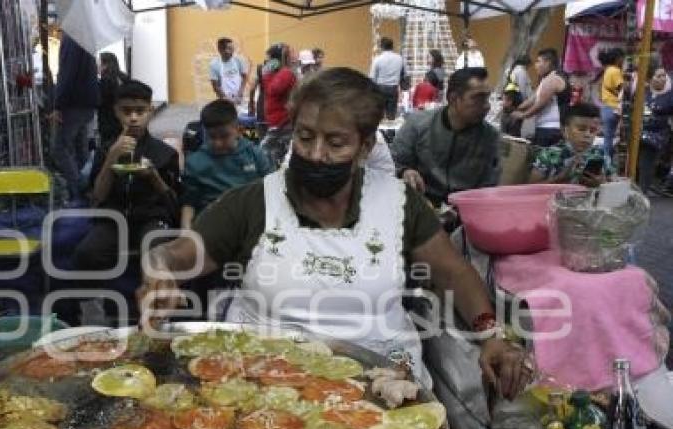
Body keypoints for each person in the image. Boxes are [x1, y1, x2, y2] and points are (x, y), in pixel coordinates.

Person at [138, 67, 532, 400]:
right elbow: (173, 255)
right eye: (305, 136)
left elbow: (454, 273)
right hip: (267, 386)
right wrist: (160, 274)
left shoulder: (398, 203)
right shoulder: (254, 202)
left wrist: (491, 334)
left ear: (364, 147)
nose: (316, 154)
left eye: (336, 142)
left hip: (382, 385)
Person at [73, 80, 180, 271]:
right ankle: (103, 295)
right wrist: (111, 158)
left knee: (156, 251)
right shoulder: (105, 149)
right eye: (126, 111)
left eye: (140, 111)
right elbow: (97, 197)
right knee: (86, 253)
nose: (133, 118)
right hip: (113, 219)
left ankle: (152, 295)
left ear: (151, 111)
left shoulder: (165, 153)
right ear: (116, 111)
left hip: (151, 218)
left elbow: (173, 204)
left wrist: (154, 176)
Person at [392, 66, 501, 206]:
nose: (487, 106)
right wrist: (405, 171)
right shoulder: (418, 124)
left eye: (487, 98)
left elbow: (490, 186)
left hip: (465, 211)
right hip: (420, 204)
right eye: (478, 98)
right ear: (453, 98)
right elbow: (394, 161)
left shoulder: (490, 138)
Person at [181, 100, 273, 229]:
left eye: (224, 136)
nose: (218, 143)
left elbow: (272, 187)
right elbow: (189, 203)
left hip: (250, 219)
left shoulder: (254, 154)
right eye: (212, 137)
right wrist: (186, 231)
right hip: (212, 223)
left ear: (238, 130)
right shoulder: (195, 162)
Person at [51, 34, 100, 198]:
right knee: (81, 148)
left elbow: (66, 73)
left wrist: (58, 104)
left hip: (73, 103)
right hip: (88, 102)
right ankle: (88, 187)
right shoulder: (86, 38)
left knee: (60, 148)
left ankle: (78, 190)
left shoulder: (71, 38)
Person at [529, 102, 613, 188]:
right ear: (564, 130)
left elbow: (615, 186)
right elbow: (531, 189)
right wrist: (560, 178)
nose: (587, 135)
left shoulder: (601, 155)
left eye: (593, 130)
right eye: (581, 129)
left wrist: (601, 184)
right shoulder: (548, 155)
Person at [512, 48, 569, 147]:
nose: (535, 65)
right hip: (544, 128)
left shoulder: (553, 79)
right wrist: (514, 109)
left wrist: (523, 115)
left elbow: (540, 104)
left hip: (551, 130)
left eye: (538, 61)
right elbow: (533, 99)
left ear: (547, 63)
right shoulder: (546, 79)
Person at [259, 43, 298, 167]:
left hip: (282, 122)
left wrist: (266, 74)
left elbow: (273, 90)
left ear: (276, 59)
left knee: (261, 154)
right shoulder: (278, 73)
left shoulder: (285, 73)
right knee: (275, 156)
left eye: (270, 58)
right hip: (275, 121)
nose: (267, 61)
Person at [638, 65, 673, 193]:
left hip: (657, 134)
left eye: (664, 75)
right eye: (658, 76)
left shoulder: (670, 95)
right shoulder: (643, 91)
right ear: (650, 78)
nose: (663, 79)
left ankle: (642, 190)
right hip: (638, 131)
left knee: (647, 153)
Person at [598, 48, 625, 164]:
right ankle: (606, 163)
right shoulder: (615, 71)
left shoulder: (608, 70)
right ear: (618, 59)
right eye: (622, 58)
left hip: (606, 107)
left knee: (608, 137)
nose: (623, 61)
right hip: (613, 107)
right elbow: (622, 88)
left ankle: (607, 161)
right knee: (609, 138)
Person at [97, 52, 129, 148]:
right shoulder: (124, 77)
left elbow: (100, 102)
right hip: (124, 120)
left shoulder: (105, 81)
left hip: (109, 123)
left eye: (99, 62)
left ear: (105, 65)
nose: (97, 65)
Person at [370, 37, 405, 120]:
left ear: (381, 47)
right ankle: (390, 132)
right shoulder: (400, 59)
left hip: (380, 88)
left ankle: (380, 131)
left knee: (379, 114)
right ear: (392, 46)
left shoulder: (377, 59)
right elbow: (404, 74)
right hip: (394, 88)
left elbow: (372, 77)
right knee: (391, 115)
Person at [210, 37, 248, 104]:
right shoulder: (215, 64)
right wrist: (225, 98)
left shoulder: (238, 60)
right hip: (223, 99)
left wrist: (240, 93)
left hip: (238, 97)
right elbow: (215, 86)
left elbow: (244, 77)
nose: (232, 51)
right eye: (230, 49)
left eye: (233, 48)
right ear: (221, 50)